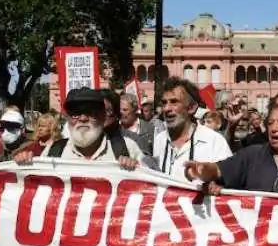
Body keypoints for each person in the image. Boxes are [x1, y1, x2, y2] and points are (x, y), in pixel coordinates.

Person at [185, 102, 278, 204]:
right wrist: (203, 170)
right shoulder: (251, 155)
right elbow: (218, 170)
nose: (274, 128)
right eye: (270, 123)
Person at [15, 88, 144, 166]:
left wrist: (136, 170)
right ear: (68, 118)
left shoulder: (128, 149)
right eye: (75, 113)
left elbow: (152, 191)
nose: (83, 119)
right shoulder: (53, 152)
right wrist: (25, 165)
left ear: (102, 116)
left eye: (90, 112)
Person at [153, 78, 232, 182]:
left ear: (192, 108)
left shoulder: (214, 140)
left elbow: (229, 178)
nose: (167, 108)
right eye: (164, 103)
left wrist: (215, 184)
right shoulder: (160, 139)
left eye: (174, 102)